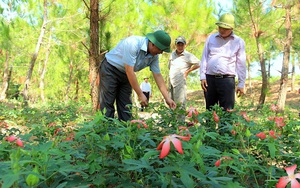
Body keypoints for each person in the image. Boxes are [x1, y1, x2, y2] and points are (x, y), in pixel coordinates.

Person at [99, 30, 176, 121]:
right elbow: (129, 71)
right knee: (107, 103)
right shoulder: (133, 44)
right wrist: (140, 94)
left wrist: (167, 98)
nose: (161, 53)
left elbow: (158, 75)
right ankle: (105, 131)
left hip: (126, 74)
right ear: (153, 44)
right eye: (160, 49)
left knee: (126, 106)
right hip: (110, 69)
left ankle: (125, 132)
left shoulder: (154, 56)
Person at [200, 13, 247, 110]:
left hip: (227, 81)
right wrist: (202, 76)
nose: (222, 30)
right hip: (210, 80)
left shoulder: (238, 41)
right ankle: (209, 126)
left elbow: (241, 64)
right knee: (210, 110)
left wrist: (241, 83)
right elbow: (204, 57)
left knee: (227, 112)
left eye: (225, 28)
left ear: (232, 28)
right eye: (220, 27)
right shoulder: (211, 38)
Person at [169, 36, 200, 112]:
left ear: (185, 45)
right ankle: (173, 122)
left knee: (180, 104)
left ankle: (180, 123)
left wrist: (188, 71)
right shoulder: (172, 54)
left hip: (180, 82)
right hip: (171, 82)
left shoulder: (188, 55)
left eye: (182, 45)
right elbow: (169, 67)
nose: (180, 46)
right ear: (176, 45)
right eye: (178, 44)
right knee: (170, 103)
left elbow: (199, 64)